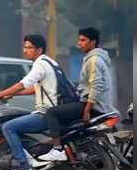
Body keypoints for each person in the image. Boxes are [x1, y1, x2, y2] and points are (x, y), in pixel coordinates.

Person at [0, 34, 61, 170]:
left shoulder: (40, 64)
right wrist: (9, 95)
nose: (25, 50)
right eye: (25, 47)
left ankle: (25, 166)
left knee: (8, 127)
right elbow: (34, 89)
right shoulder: (50, 62)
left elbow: (22, 84)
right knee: (16, 122)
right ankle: (30, 156)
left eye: (29, 47)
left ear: (39, 50)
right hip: (54, 111)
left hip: (46, 113)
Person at [39, 27, 118, 161]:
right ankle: (71, 149)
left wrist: (87, 110)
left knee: (51, 113)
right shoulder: (96, 58)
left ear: (93, 42)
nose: (79, 43)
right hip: (95, 104)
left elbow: (96, 86)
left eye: (83, 40)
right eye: (79, 40)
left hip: (93, 106)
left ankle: (57, 150)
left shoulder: (94, 60)